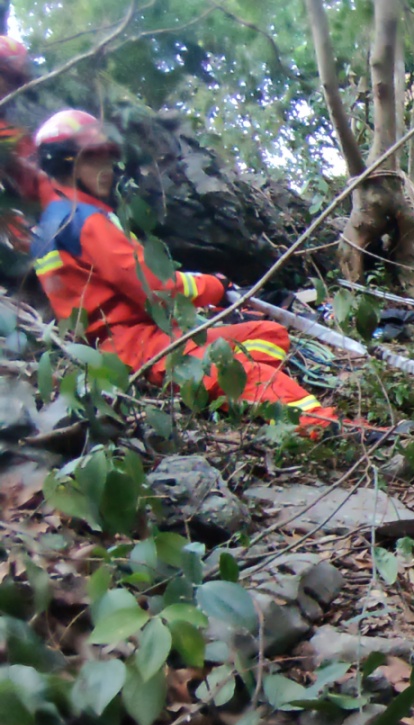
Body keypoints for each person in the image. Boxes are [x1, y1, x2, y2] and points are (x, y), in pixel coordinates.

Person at [29, 109, 381, 439]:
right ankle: (322, 425)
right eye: (94, 157)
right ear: (66, 162)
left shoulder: (61, 220)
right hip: (134, 350)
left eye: (107, 156)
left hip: (143, 338)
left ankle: (232, 395)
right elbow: (156, 288)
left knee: (268, 332)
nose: (106, 166)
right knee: (246, 369)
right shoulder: (86, 222)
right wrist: (213, 285)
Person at [0, 35, 44, 257]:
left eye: (11, 79)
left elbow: (36, 185)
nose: (6, 86)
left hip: (30, 225)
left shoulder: (17, 130)